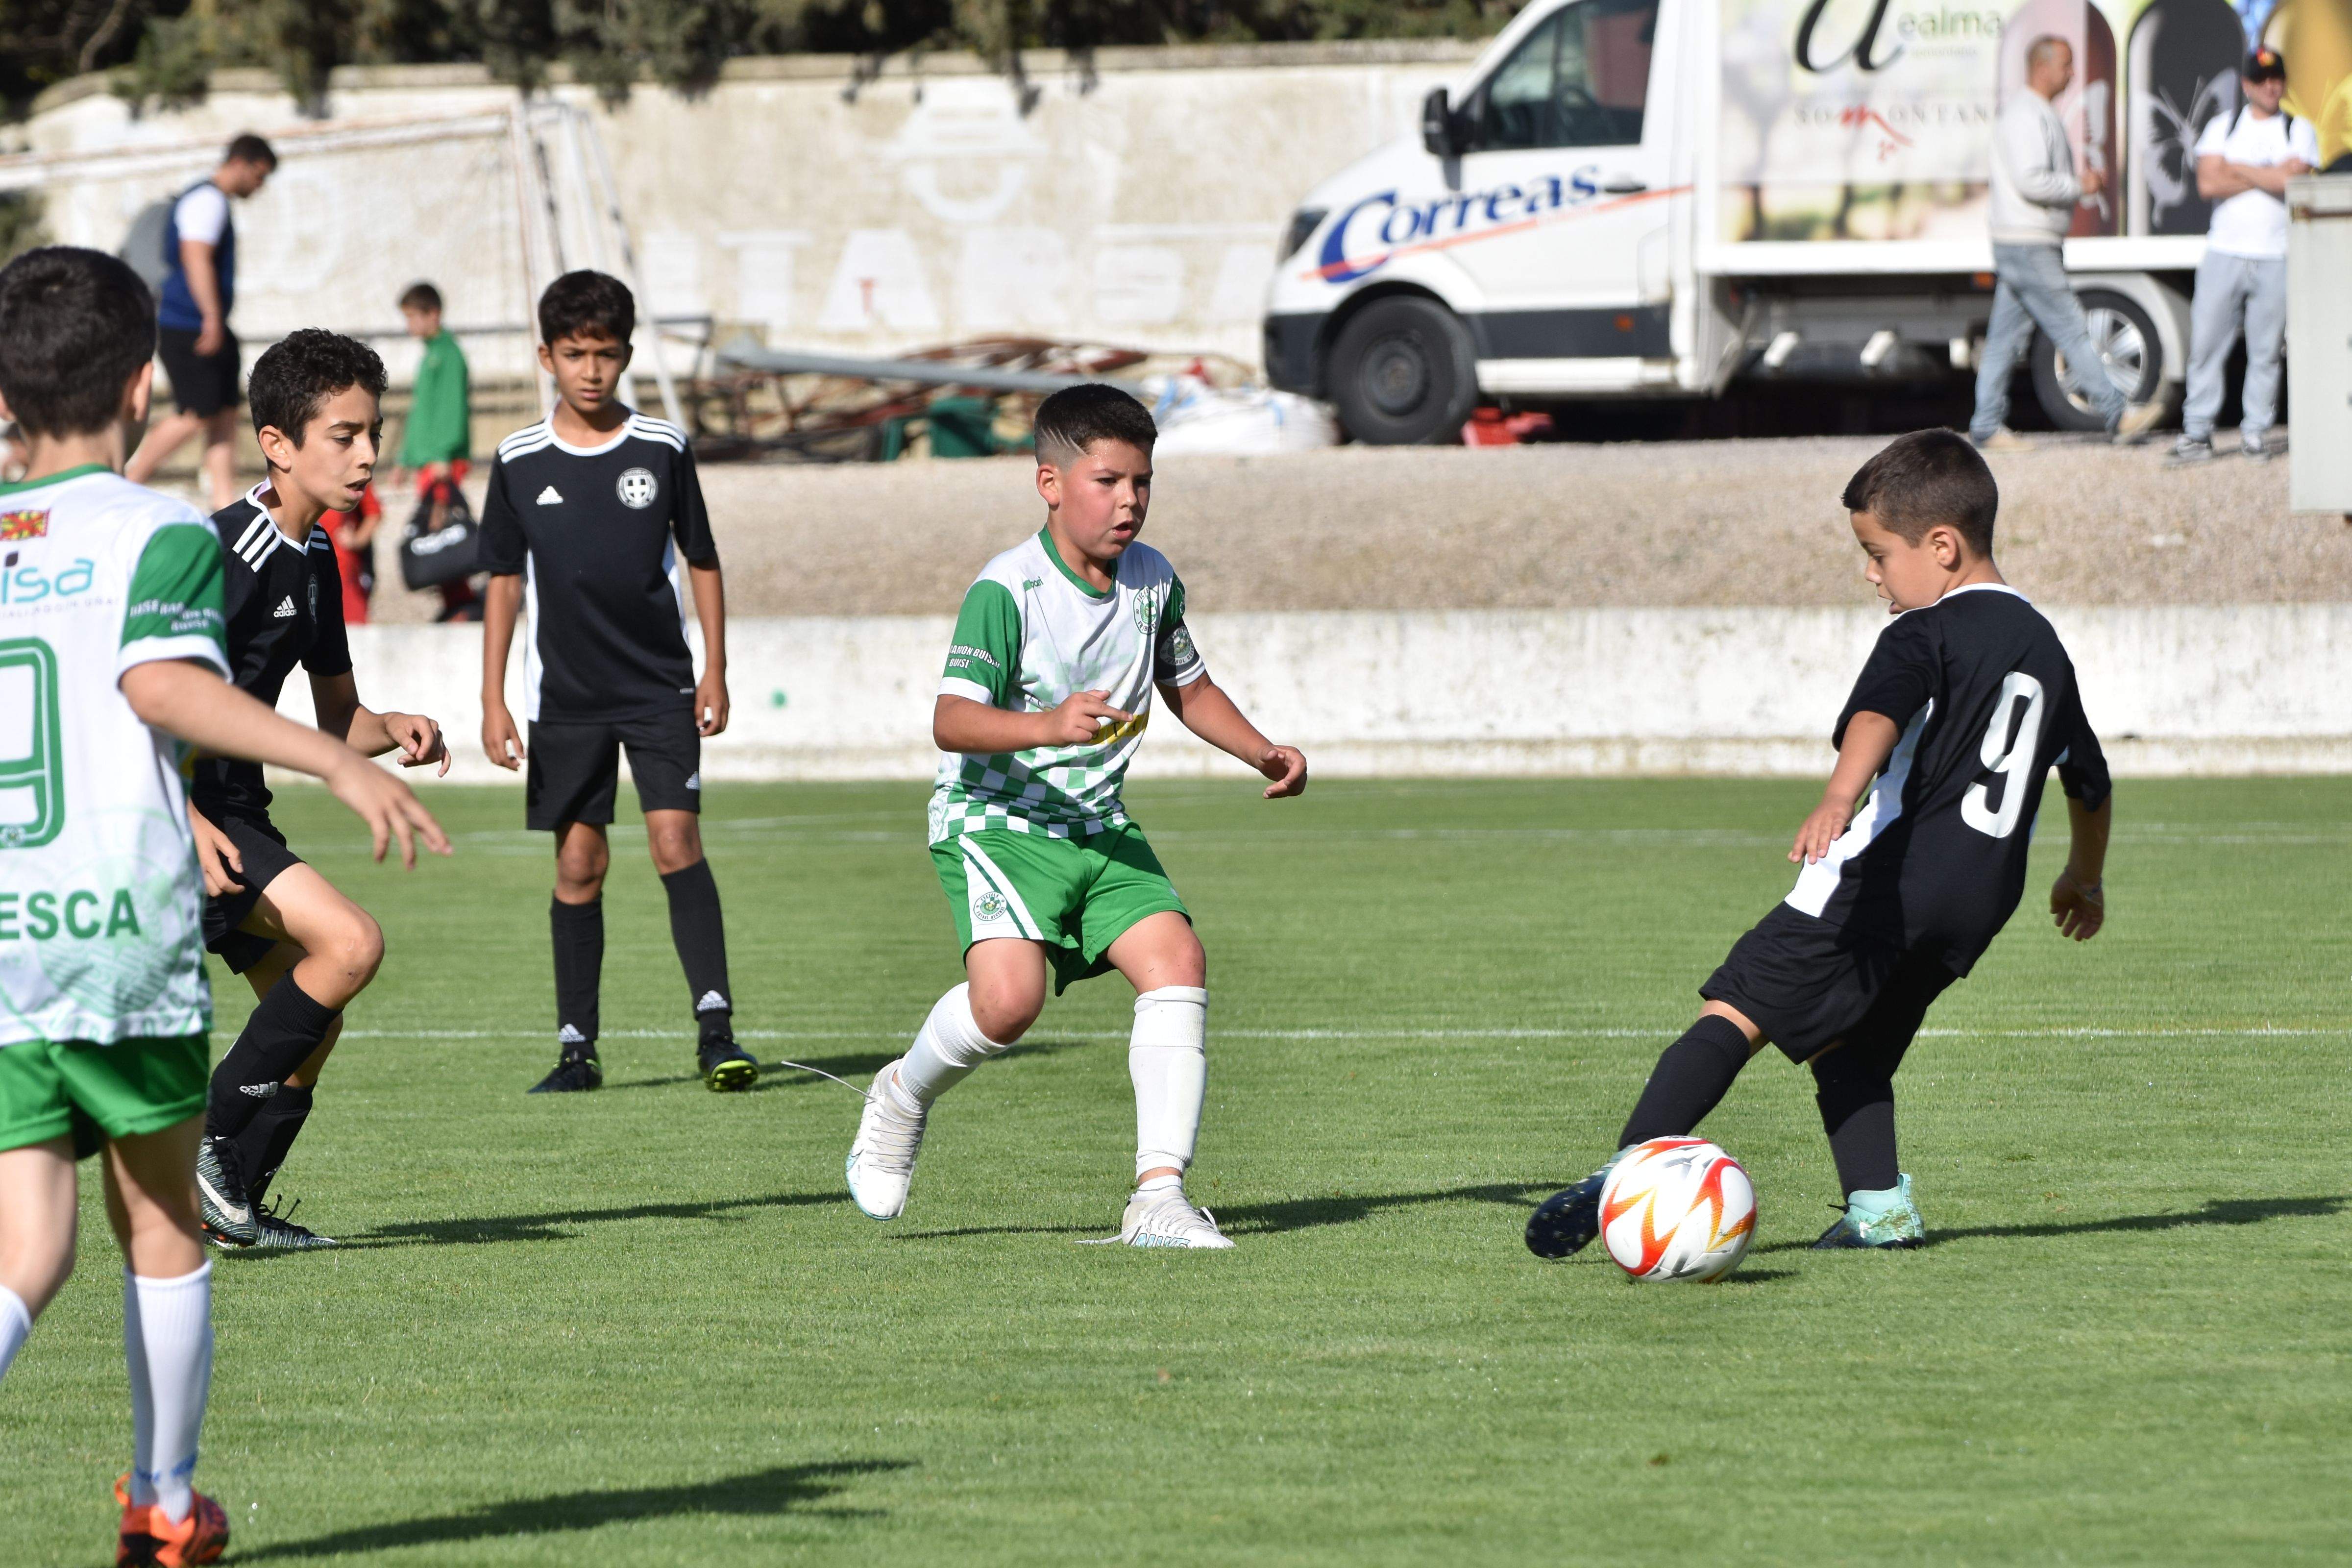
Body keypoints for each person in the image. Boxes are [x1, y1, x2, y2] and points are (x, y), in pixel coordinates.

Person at [0, 245, 445, 1568]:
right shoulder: (168, 535)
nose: (367, 455)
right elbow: (163, 692)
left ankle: (241, 1182)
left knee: (30, 1242)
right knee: (156, 1223)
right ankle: (167, 1504)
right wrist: (327, 765)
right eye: (350, 435)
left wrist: (371, 729)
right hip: (123, 908)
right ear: (148, 387)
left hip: (15, 923)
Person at [1526, 429, 2112, 1257]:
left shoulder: (1924, 632)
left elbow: (1882, 710)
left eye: (1878, 553)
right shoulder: (2046, 649)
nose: (1872, 574)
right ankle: (1880, 1210)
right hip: (1978, 901)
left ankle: (1623, 1176)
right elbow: (2089, 780)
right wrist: (2083, 879)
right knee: (1853, 1044)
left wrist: (1840, 795)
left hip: (1887, 879)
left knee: (1736, 1005)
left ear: (1942, 547)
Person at [843, 384, 1309, 1249]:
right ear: (1050, 482)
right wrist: (1044, 725)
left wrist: (1262, 750)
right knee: (1009, 1006)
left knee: (1177, 958)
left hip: (1095, 825)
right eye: (1108, 480)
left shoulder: (1153, 579)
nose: (1129, 499)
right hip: (997, 823)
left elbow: (1187, 686)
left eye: (1143, 481)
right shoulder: (1007, 589)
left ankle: (1157, 1197)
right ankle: (902, 1094)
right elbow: (952, 720)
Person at [186, 329, 452, 1252]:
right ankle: (205, 1152)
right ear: (277, 443)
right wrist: (182, 821)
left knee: (314, 1023)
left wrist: (397, 729)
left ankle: (232, 1210)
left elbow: (337, 718)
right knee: (351, 942)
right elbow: (135, 705)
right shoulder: (216, 555)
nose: (370, 454)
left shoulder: (315, 558)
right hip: (183, 817)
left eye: (372, 433)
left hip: (235, 816)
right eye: (345, 435)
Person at [477, 270, 758, 1095]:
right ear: (546, 358)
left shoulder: (663, 448)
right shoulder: (520, 460)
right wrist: (492, 696)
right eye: (575, 355)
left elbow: (702, 559)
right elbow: (502, 580)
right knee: (578, 866)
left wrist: (716, 667)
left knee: (677, 843)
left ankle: (717, 1034)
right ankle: (576, 1050)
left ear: (627, 356)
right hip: (566, 701)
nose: (591, 370)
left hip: (659, 689)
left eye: (606, 355)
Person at [1971, 39, 2164, 450]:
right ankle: (2117, 413)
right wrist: (2082, 185)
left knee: (2005, 338)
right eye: (2066, 65)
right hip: (2029, 242)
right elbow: (2031, 179)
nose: (2072, 73)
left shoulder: (2032, 112)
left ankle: (1987, 424)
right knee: (2072, 327)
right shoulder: (2027, 115)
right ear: (2042, 68)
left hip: (2021, 241)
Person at [2172, 48, 2319, 465]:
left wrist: (2238, 169)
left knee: (2266, 350)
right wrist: (2270, 173)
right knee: (2206, 345)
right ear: (2247, 85)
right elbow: (2208, 185)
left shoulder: (2298, 128)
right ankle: (2197, 431)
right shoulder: (2224, 125)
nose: (2271, 86)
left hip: (2276, 254)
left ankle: (2255, 431)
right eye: (2262, 79)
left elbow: (2295, 181)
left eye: (2277, 78)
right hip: (2225, 251)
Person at [125, 135, 276, 510]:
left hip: (208, 324)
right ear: (242, 163)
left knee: (224, 415)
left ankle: (224, 504)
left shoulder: (210, 200)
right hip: (189, 325)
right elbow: (196, 256)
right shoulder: (207, 200)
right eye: (260, 175)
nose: (260, 186)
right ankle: (128, 480)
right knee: (195, 413)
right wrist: (210, 315)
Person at [395, 281, 479, 620]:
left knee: (443, 529)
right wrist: (404, 458)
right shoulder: (430, 355)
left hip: (442, 460)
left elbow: (450, 409)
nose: (409, 326)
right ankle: (452, 599)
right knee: (435, 533)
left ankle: (462, 600)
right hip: (428, 460)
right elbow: (421, 413)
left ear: (434, 314)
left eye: (414, 317)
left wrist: (443, 455)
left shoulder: (449, 354)